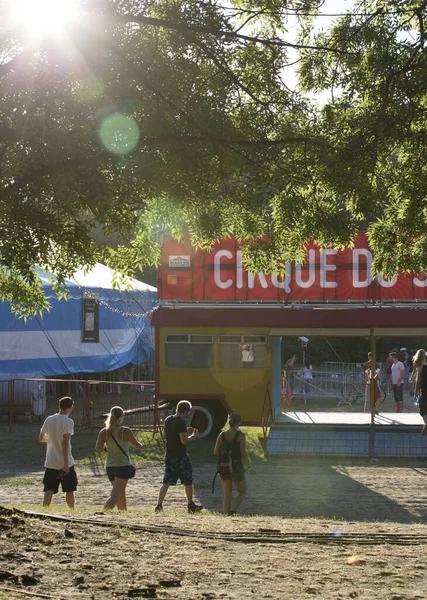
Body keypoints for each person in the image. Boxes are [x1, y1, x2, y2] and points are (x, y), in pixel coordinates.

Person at [155, 400, 202, 513]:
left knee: (166, 482)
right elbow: (184, 441)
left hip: (169, 455)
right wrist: (193, 436)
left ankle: (159, 505)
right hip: (181, 456)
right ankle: (190, 505)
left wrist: (186, 430)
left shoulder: (168, 420)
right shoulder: (181, 422)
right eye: (188, 411)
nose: (189, 414)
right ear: (186, 410)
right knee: (188, 481)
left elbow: (173, 433)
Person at [95, 406, 145, 510]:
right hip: (122, 466)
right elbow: (136, 445)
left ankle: (123, 514)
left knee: (120, 493)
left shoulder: (104, 432)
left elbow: (98, 449)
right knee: (115, 495)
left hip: (110, 466)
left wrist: (107, 449)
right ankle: (103, 514)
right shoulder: (125, 431)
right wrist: (143, 446)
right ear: (121, 417)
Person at [39, 396, 78, 509]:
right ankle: (71, 510)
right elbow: (65, 443)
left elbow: (41, 438)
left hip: (51, 461)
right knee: (69, 489)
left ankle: (45, 510)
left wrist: (52, 439)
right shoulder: (68, 422)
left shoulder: (49, 419)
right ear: (69, 407)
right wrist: (66, 463)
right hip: (65, 462)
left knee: (49, 489)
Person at [214, 413, 255, 516]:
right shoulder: (240, 435)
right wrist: (249, 467)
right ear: (238, 422)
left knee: (227, 493)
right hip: (236, 467)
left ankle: (226, 514)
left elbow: (215, 451)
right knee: (242, 491)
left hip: (223, 467)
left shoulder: (221, 435)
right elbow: (243, 453)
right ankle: (233, 510)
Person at [413, 349, 427, 435]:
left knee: (423, 409)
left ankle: (426, 423)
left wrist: (415, 393)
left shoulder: (421, 368)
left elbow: (418, 382)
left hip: (424, 391)